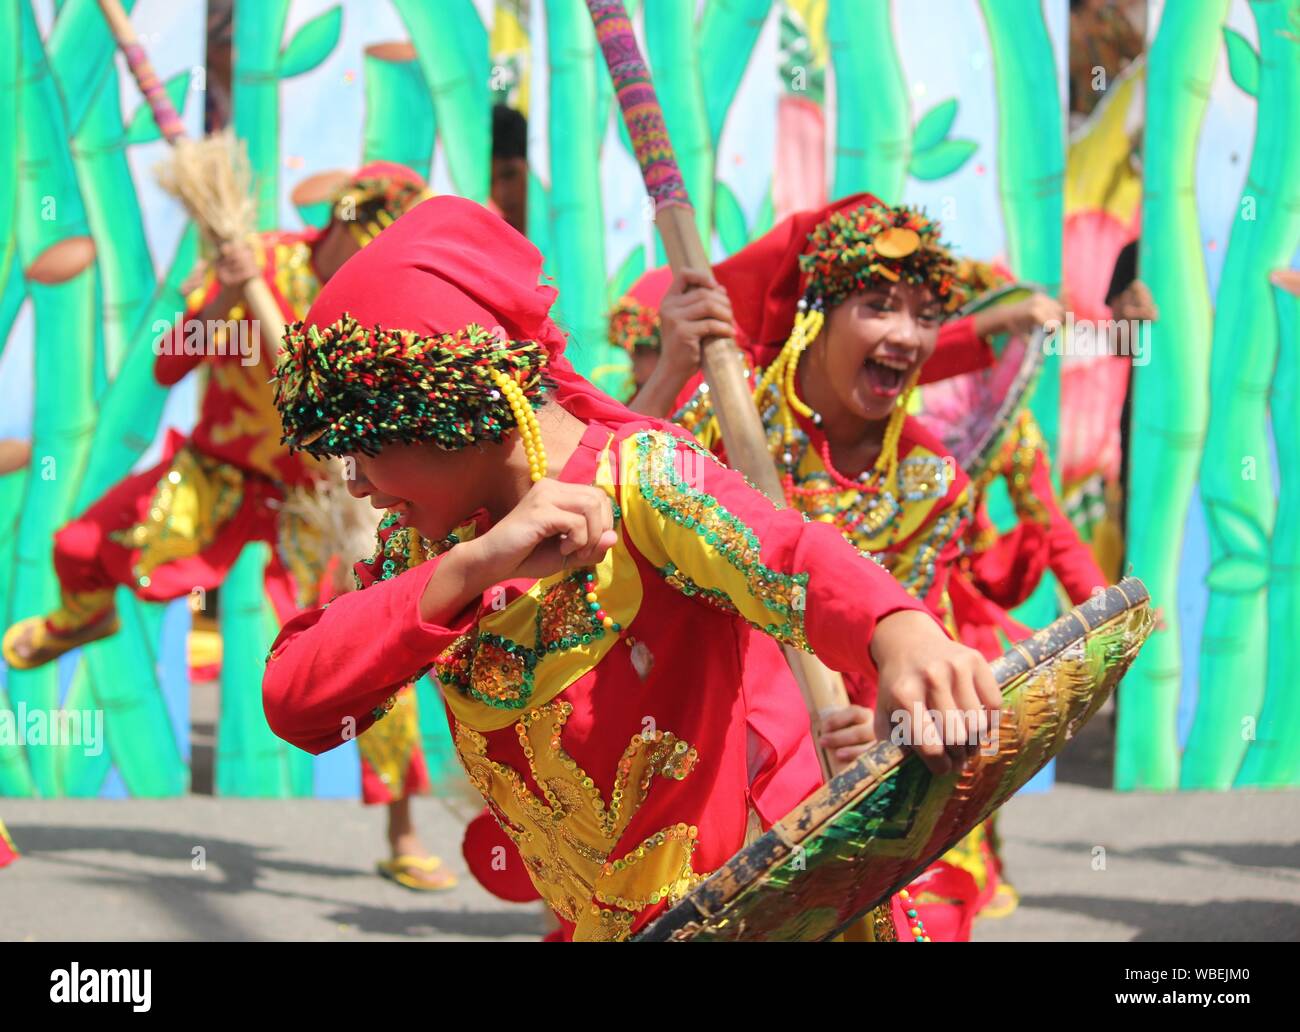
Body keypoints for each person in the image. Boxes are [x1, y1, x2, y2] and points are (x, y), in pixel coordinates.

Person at [260, 194, 999, 942]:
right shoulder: (427, 551)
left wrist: (903, 634)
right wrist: (476, 566)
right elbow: (298, 701)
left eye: (366, 443)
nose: (354, 482)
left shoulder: (643, 479)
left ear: (456, 404)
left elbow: (788, 553)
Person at [2, 163, 430, 671]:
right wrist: (224, 297)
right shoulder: (262, 260)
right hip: (217, 469)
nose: (369, 262)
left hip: (317, 495)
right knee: (78, 547)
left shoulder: (379, 307)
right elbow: (169, 365)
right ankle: (84, 617)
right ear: (340, 221)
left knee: (350, 648)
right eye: (366, 245)